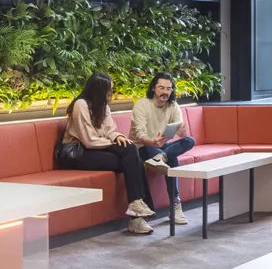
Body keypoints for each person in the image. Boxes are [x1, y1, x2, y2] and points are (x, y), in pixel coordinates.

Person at [61, 72, 156, 235]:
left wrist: (117, 136)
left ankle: (136, 206)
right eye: (108, 90)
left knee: (130, 149)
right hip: (77, 153)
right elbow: (89, 140)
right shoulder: (81, 105)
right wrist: (113, 143)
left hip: (97, 147)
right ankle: (137, 216)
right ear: (98, 90)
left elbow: (109, 130)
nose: (111, 93)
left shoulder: (103, 106)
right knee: (133, 161)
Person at [131, 72, 196, 225]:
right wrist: (152, 141)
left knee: (189, 140)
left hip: (163, 146)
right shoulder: (142, 105)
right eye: (161, 88)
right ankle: (175, 203)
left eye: (168, 88)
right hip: (143, 146)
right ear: (154, 88)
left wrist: (182, 132)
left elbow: (180, 131)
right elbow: (139, 135)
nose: (165, 92)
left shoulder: (173, 106)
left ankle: (162, 157)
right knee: (171, 157)